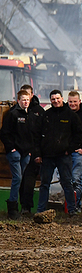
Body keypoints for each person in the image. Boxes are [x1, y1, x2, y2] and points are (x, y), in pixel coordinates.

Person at [34, 90, 82, 216]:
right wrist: (39, 153)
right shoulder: (47, 115)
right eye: (53, 99)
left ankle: (72, 210)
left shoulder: (71, 116)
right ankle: (41, 210)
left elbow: (79, 134)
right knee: (44, 184)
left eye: (57, 98)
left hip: (63, 156)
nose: (55, 101)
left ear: (62, 98)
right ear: (50, 101)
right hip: (48, 156)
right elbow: (37, 135)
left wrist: (69, 149)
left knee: (67, 183)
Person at [0, 90, 34, 219]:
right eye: (23, 100)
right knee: (17, 179)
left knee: (21, 179)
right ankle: (12, 208)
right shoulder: (13, 114)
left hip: (26, 153)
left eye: (27, 100)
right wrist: (12, 149)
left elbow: (32, 134)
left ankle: (18, 207)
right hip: (15, 153)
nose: (25, 102)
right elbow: (4, 133)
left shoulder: (30, 115)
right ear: (19, 100)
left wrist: (30, 150)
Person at [17, 84, 45, 215]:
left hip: (34, 151)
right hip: (20, 151)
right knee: (20, 179)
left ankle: (27, 207)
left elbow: (42, 134)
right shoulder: (15, 112)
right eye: (23, 96)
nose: (26, 98)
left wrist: (39, 153)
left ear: (32, 95)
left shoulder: (39, 112)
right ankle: (19, 205)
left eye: (28, 95)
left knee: (29, 180)